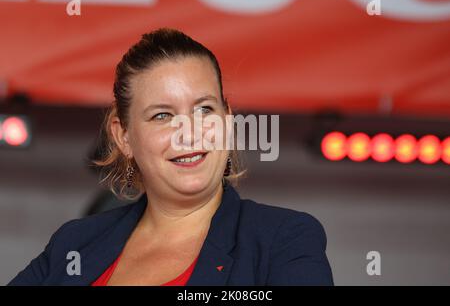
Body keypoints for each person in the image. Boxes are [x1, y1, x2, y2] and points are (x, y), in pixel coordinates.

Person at [8, 28, 333, 286]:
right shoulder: (74, 243)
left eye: (204, 109)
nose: (188, 133)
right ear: (124, 136)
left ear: (227, 119)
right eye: (162, 116)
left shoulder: (283, 239)